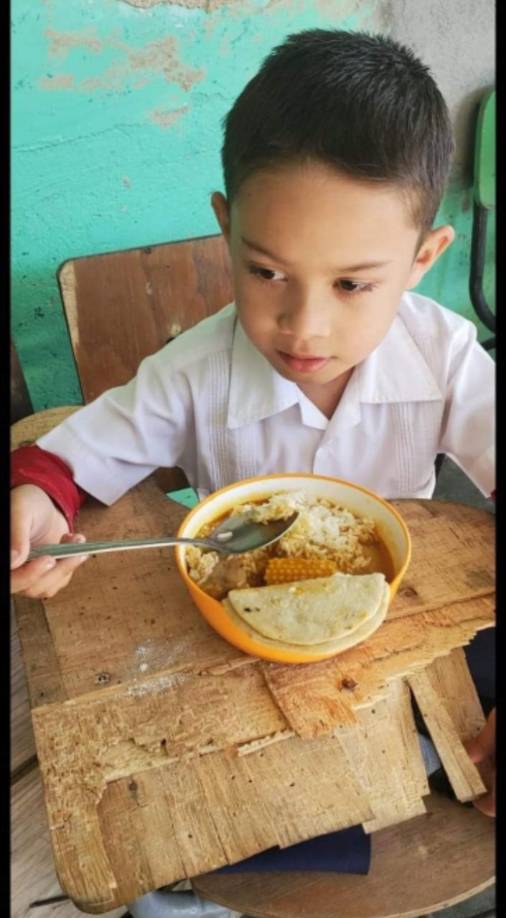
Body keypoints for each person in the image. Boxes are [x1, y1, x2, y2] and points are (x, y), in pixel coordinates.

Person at [11, 23, 494, 864]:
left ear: (423, 258)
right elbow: (63, 460)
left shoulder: (446, 357)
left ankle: (409, 772)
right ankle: (211, 870)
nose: (304, 327)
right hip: (235, 631)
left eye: (354, 284)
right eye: (267, 271)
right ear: (225, 228)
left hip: (396, 615)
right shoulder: (192, 371)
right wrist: (31, 507)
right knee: (237, 811)